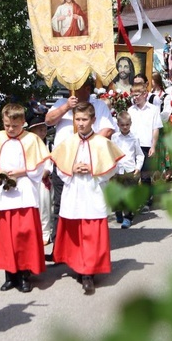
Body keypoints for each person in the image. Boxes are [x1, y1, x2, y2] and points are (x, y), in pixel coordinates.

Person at [51, 102, 124, 294]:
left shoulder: (102, 142)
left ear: (93, 120)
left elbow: (112, 168)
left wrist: (94, 170)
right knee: (76, 231)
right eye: (77, 119)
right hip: (74, 190)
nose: (81, 123)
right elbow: (59, 167)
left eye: (84, 119)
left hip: (93, 191)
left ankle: (89, 274)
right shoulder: (67, 142)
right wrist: (71, 169)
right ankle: (79, 266)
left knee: (92, 232)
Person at [0, 103, 50, 294]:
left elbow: (39, 167)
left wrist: (22, 171)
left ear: (23, 123)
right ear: (3, 121)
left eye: (15, 126)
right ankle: (10, 275)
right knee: (5, 237)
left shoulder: (32, 139)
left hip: (24, 191)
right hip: (2, 194)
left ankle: (25, 275)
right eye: (7, 125)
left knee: (23, 236)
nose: (11, 129)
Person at [45, 76, 117, 230]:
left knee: (88, 204)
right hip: (64, 161)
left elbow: (107, 129)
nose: (73, 90)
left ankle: (87, 242)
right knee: (60, 203)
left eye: (76, 87)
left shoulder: (99, 105)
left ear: (87, 89)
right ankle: (59, 247)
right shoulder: (61, 103)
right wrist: (66, 107)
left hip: (89, 162)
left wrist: (87, 145)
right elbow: (48, 121)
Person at [128, 81, 163, 206]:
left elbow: (155, 129)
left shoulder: (153, 110)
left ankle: (147, 199)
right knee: (132, 173)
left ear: (145, 94)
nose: (135, 97)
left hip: (146, 145)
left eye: (138, 95)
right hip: (132, 146)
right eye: (133, 95)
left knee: (146, 174)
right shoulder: (130, 110)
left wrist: (153, 146)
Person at [111, 111, 145, 228]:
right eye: (122, 125)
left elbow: (139, 154)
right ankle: (118, 211)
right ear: (118, 124)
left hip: (130, 169)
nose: (125, 127)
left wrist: (138, 167)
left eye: (127, 125)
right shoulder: (114, 137)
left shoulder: (134, 137)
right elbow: (112, 153)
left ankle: (128, 217)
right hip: (117, 170)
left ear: (131, 124)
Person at [26, 114, 54, 245]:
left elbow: (50, 160)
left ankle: (46, 233)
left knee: (45, 206)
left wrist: (47, 170)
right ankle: (32, 232)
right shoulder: (26, 144)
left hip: (43, 179)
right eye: (39, 130)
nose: (43, 132)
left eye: (44, 129)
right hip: (29, 179)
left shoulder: (49, 144)